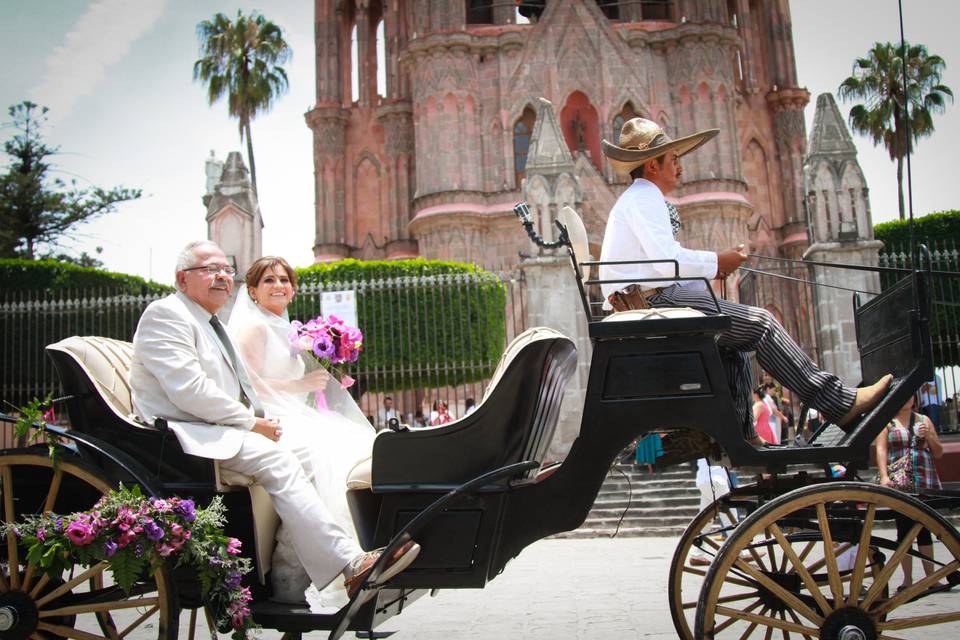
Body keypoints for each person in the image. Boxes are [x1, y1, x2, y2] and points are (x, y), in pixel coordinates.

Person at [130, 242, 419, 607]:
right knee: (279, 458)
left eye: (225, 268)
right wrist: (252, 422)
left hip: (219, 425)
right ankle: (349, 565)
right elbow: (191, 392)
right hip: (186, 433)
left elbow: (239, 387)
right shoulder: (167, 314)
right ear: (181, 279)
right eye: (209, 269)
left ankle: (306, 571)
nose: (221, 276)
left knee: (318, 453)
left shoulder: (210, 322)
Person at [598, 118, 892, 447]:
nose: (679, 167)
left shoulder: (638, 199)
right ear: (653, 165)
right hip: (655, 302)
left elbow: (663, 261)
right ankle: (839, 402)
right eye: (674, 160)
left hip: (650, 301)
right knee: (762, 323)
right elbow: (667, 260)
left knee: (736, 344)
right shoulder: (644, 198)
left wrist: (715, 265)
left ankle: (742, 434)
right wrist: (718, 262)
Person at [226, 255, 380, 605]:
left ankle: (363, 550)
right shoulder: (256, 328)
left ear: (293, 290)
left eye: (283, 280)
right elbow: (248, 386)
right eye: (268, 281)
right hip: (271, 418)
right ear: (252, 291)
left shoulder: (292, 330)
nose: (278, 285)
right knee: (324, 455)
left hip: (295, 413)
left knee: (355, 447)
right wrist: (302, 385)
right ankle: (308, 575)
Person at [874, 395, 945, 592]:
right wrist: (883, 475)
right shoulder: (887, 422)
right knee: (904, 530)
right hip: (901, 481)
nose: (906, 400)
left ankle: (931, 578)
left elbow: (938, 452)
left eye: (909, 397)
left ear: (913, 399)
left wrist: (929, 435)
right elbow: (881, 449)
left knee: (924, 529)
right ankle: (907, 580)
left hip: (923, 478)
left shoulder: (924, 420)